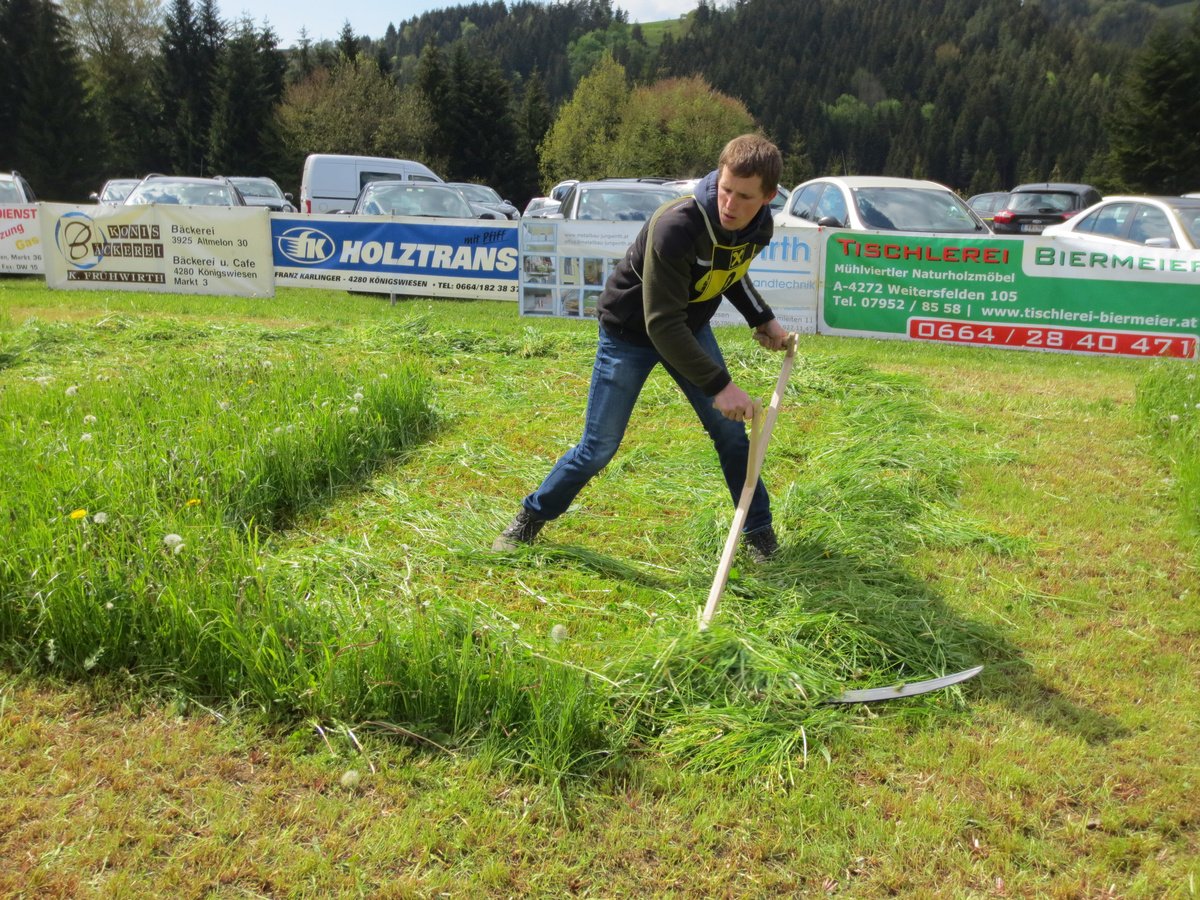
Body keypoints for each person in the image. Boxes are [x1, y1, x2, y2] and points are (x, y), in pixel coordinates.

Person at [494, 133, 791, 561]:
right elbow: (661, 324)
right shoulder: (678, 226)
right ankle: (530, 517)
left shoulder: (759, 226)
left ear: (768, 197)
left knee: (731, 434)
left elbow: (731, 271)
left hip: (687, 328)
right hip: (630, 334)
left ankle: (758, 532)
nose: (730, 204)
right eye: (726, 189)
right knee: (598, 448)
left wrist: (762, 317)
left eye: (744, 197)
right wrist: (720, 385)